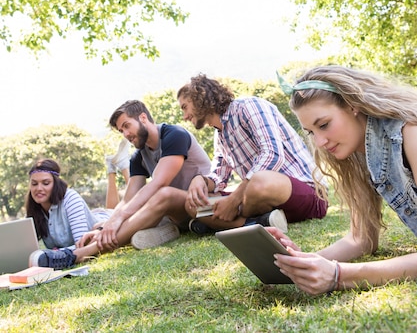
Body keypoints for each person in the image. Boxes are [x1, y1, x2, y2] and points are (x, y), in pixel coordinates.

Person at [268, 65, 417, 296]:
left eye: (324, 125)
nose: (319, 142)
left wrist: (338, 276)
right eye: (310, 132)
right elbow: (361, 239)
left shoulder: (411, 132)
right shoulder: (358, 157)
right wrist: (303, 262)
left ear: (352, 104)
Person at [30, 99, 211, 269]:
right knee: (111, 223)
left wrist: (116, 220)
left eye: (126, 126)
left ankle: (81, 254)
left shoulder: (174, 135)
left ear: (143, 117)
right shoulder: (138, 157)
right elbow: (128, 200)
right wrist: (105, 226)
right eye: (121, 131)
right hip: (173, 214)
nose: (125, 134)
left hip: (201, 205)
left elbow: (158, 183)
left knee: (163, 193)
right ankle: (162, 232)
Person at [177, 74, 328, 236]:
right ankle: (262, 222)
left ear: (199, 96)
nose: (185, 117)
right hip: (259, 201)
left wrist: (234, 199)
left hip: (308, 194)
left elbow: (273, 154)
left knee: (259, 181)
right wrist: (200, 181)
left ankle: (229, 222)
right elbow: (218, 178)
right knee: (194, 206)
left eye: (185, 107)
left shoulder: (249, 106)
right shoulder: (220, 136)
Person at [26, 158, 113, 252]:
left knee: (116, 208)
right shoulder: (34, 208)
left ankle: (114, 167)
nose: (38, 188)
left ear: (56, 183)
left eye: (46, 183)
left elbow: (81, 244)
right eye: (34, 184)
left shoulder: (70, 198)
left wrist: (54, 254)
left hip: (106, 220)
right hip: (92, 214)